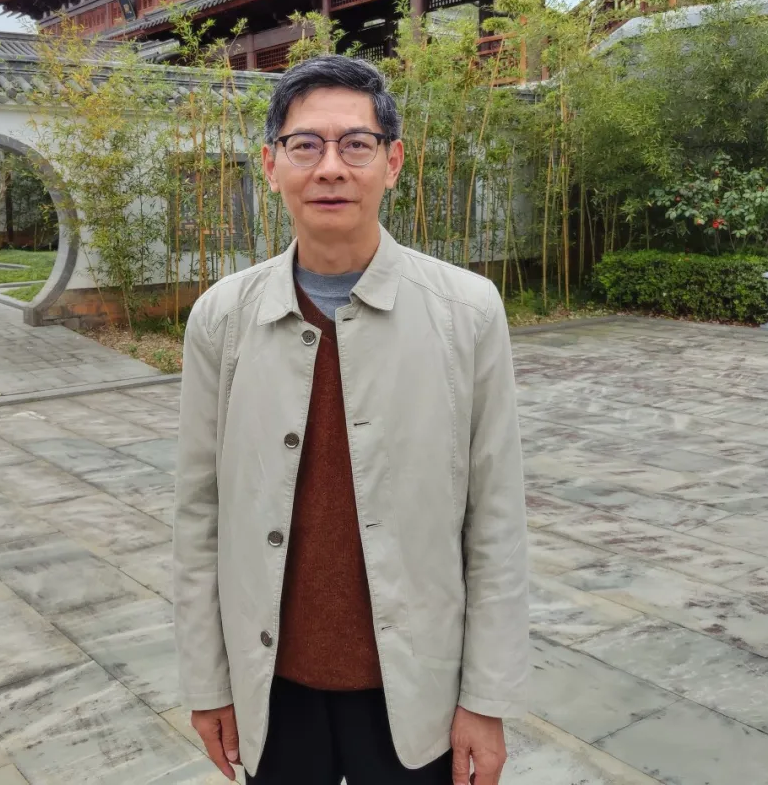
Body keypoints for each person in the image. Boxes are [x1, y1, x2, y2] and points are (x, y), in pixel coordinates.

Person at [174, 54, 529, 785]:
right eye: (305, 145)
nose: (330, 167)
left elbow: (496, 520)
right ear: (271, 164)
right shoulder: (222, 318)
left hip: (417, 690)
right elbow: (198, 515)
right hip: (272, 686)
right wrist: (208, 683)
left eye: (356, 145)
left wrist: (486, 699)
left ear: (392, 163)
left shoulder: (467, 312)